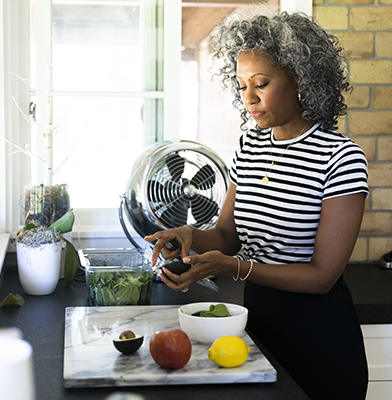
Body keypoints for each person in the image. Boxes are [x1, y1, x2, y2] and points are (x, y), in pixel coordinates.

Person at [145, 7, 369, 400]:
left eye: (261, 83)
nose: (248, 97)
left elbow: (322, 277)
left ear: (301, 79)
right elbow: (228, 236)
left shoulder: (341, 157)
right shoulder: (250, 145)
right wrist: (189, 236)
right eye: (242, 84)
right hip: (259, 328)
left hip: (320, 340)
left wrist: (234, 267)